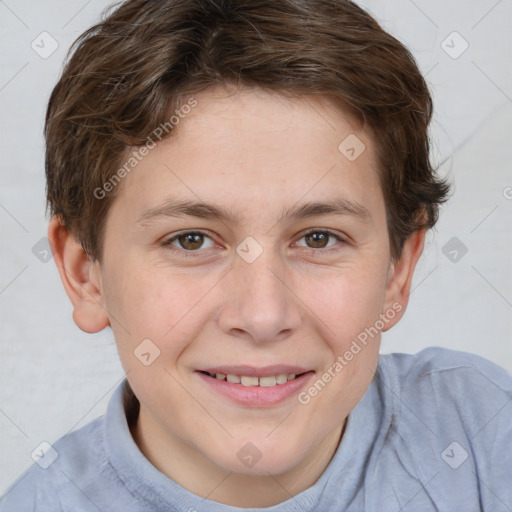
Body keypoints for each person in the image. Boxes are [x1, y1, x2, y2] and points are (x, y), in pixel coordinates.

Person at [1, 0, 511, 510]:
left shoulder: (481, 431)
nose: (263, 315)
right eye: (191, 240)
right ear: (86, 274)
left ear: (397, 270)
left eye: (318, 238)